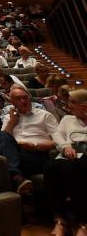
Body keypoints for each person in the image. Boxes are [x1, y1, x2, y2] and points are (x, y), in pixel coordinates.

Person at [0, 86, 58, 194]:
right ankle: (18, 179)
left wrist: (35, 146)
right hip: (17, 152)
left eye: (25, 97)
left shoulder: (45, 115)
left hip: (37, 154)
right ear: (12, 102)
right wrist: (12, 121)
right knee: (3, 136)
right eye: (18, 98)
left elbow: (58, 141)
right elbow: (4, 139)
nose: (23, 101)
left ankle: (16, 179)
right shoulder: (8, 118)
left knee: (2, 163)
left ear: (29, 98)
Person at [45, 89, 87, 236]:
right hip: (69, 155)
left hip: (85, 157)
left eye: (73, 102)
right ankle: (60, 221)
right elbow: (57, 135)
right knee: (50, 167)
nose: (69, 106)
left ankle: (83, 223)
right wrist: (65, 146)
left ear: (84, 105)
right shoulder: (67, 119)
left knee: (75, 169)